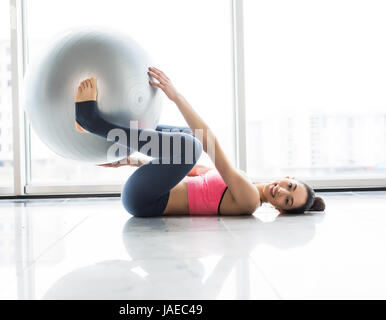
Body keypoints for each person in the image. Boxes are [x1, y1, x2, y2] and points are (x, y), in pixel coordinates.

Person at [75, 67, 325, 217]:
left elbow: (210, 145)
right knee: (189, 140)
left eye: (287, 201)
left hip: (147, 201)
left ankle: (92, 121)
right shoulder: (245, 179)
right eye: (290, 187)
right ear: (289, 178)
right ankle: (109, 133)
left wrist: (175, 96)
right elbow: (190, 172)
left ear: (280, 210)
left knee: (193, 145)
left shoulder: (249, 200)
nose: (281, 192)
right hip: (149, 188)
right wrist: (128, 161)